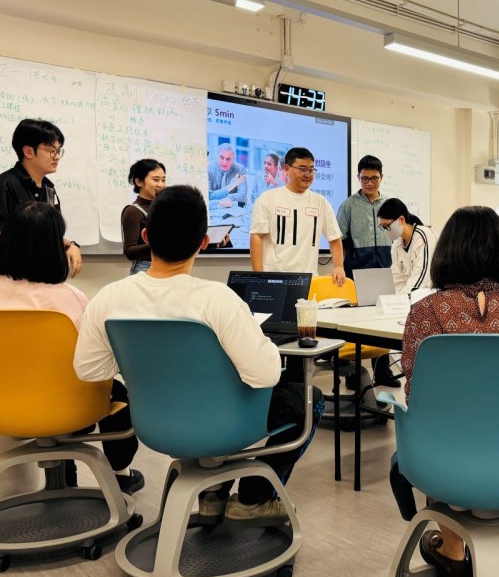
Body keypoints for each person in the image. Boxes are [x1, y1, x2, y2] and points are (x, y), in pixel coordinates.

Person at [74, 185, 322, 526]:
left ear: (146, 236)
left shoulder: (109, 298)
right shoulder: (218, 299)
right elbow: (265, 375)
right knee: (309, 398)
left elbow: (88, 370)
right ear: (205, 242)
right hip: (225, 423)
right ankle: (254, 499)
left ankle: (212, 495)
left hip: (154, 424)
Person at [394, 205, 499, 577]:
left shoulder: (425, 312)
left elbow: (417, 396)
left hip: (444, 460)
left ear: (447, 252)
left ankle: (451, 550)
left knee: (435, 428)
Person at [0, 201, 142, 494]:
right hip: (69, 407)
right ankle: (121, 475)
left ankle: (67, 476)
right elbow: (96, 357)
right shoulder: (68, 298)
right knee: (118, 392)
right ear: (53, 248)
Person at [0, 118, 82, 277]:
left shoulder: (49, 189)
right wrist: (37, 242)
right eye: (51, 150)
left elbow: (49, 233)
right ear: (28, 151)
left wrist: (69, 245)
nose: (57, 157)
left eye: (59, 151)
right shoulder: (3, 185)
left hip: (42, 275)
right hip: (11, 276)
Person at [249, 146, 345, 287]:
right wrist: (259, 277)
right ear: (287, 169)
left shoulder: (321, 202)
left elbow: (334, 237)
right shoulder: (268, 198)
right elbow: (256, 236)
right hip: (274, 280)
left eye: (311, 170)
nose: (308, 174)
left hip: (308, 281)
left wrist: (338, 266)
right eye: (302, 169)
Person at [337, 155, 392, 277]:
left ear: (381, 177)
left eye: (374, 178)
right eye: (365, 179)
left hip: (387, 269)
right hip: (357, 271)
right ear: (358, 178)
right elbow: (339, 240)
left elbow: (397, 238)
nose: (370, 183)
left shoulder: (389, 205)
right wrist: (339, 266)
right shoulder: (348, 205)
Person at [378, 198, 438, 295]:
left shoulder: (423, 236)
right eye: (383, 227)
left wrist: (401, 299)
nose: (386, 230)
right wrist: (392, 299)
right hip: (412, 297)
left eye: (387, 226)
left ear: (401, 220)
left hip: (433, 294)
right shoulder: (397, 244)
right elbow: (397, 279)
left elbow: (421, 279)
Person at [121, 158, 166, 275]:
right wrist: (162, 245)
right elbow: (130, 251)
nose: (161, 185)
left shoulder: (166, 208)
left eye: (163, 180)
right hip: (145, 268)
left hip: (168, 266)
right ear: (139, 182)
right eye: (155, 180)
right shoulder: (133, 211)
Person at [207, 142, 247, 208]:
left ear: (234, 159)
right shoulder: (208, 168)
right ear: (217, 156)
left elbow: (243, 196)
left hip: (231, 208)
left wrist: (223, 198)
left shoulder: (240, 169)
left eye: (228, 159)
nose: (224, 162)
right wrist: (231, 185)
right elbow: (208, 196)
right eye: (221, 157)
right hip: (212, 208)